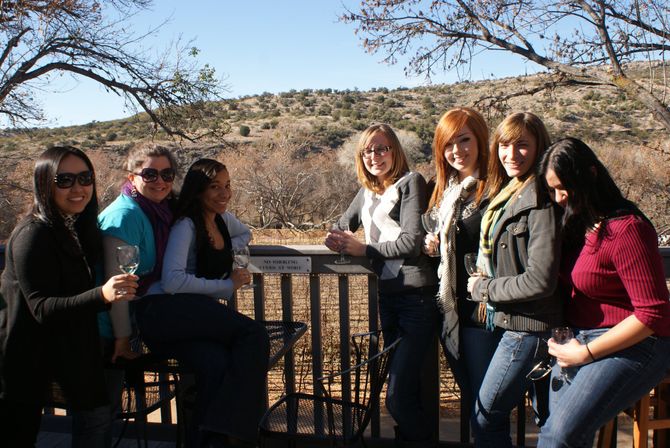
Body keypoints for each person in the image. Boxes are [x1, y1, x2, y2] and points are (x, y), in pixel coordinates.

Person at [536, 137, 670, 447]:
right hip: (580, 340)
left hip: (636, 344)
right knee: (556, 431)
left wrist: (585, 353)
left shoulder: (628, 229)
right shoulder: (578, 225)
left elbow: (652, 314)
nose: (558, 197)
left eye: (563, 188)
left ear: (591, 175)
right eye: (552, 190)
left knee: (560, 435)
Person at [0, 146, 137, 447]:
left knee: (97, 415)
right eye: (64, 180)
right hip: (23, 361)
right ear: (44, 184)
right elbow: (42, 308)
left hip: (69, 352)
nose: (78, 188)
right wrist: (102, 295)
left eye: (85, 178)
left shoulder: (76, 228)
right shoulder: (33, 234)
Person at [136, 158, 269, 448]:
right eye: (214, 187)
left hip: (190, 315)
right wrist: (226, 285)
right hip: (163, 311)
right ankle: (235, 433)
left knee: (215, 364)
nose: (224, 193)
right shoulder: (187, 224)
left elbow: (246, 233)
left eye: (227, 185)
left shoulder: (222, 219)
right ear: (198, 191)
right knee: (254, 334)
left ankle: (208, 441)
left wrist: (225, 248)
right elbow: (172, 281)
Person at [325, 123, 439, 447]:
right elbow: (342, 224)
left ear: (395, 151)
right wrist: (333, 237)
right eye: (368, 151)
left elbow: (411, 242)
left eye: (382, 148)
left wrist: (364, 250)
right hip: (387, 298)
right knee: (406, 388)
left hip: (417, 298)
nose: (375, 156)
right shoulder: (366, 192)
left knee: (397, 396)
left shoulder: (410, 182)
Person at [466, 112, 562, 446]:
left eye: (522, 145)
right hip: (518, 323)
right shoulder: (511, 191)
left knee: (485, 417)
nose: (511, 154)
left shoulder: (541, 199)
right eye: (504, 145)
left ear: (539, 147)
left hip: (530, 328)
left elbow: (540, 280)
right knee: (548, 421)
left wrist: (484, 288)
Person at [422, 108, 501, 426]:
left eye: (464, 140)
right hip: (449, 308)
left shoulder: (495, 189)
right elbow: (445, 245)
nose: (457, 151)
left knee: (486, 410)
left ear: (481, 139)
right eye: (448, 144)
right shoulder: (443, 192)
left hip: (481, 312)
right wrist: (431, 246)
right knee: (474, 401)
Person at [98, 143, 179, 363]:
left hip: (128, 321)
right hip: (104, 330)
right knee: (108, 396)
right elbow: (118, 285)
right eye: (150, 174)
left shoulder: (159, 212)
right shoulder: (124, 216)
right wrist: (122, 338)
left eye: (167, 174)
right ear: (132, 178)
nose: (160, 181)